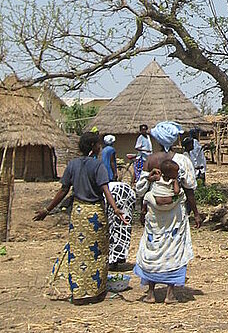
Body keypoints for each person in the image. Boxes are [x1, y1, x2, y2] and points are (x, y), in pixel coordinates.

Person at [34, 131, 129, 304]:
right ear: (94, 146)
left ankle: (78, 293)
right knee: (97, 253)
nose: (100, 147)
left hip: (78, 214)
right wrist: (115, 209)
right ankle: (95, 292)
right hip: (95, 214)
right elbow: (105, 189)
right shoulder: (98, 165)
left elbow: (63, 190)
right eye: (98, 144)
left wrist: (47, 210)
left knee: (78, 254)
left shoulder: (72, 165)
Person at [134, 121, 201, 304]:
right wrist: (195, 213)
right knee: (173, 249)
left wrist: (142, 209)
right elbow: (189, 189)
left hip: (154, 213)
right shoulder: (183, 161)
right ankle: (170, 294)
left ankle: (151, 293)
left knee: (153, 247)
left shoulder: (150, 160)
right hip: (175, 215)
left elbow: (141, 189)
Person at [106, 180, 137, 269]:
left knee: (114, 226)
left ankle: (113, 259)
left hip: (118, 193)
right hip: (127, 192)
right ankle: (118, 257)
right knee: (123, 226)